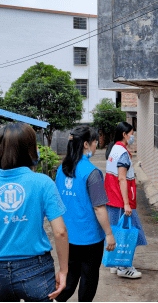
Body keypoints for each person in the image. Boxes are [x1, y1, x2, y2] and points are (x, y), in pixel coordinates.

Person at [0, 122, 69, 302]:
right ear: (30, 150)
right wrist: (63, 271)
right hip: (37, 269)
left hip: (0, 274)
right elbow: (60, 232)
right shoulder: (43, 182)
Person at [54, 126, 116, 302]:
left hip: (67, 236)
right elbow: (99, 208)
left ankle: (54, 299)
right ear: (87, 144)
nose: (97, 145)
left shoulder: (61, 169)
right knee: (88, 278)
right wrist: (109, 234)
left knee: (70, 276)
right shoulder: (92, 173)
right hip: (90, 239)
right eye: (96, 142)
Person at [104, 121, 147, 279]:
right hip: (121, 200)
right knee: (128, 233)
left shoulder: (114, 150)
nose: (133, 136)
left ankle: (115, 264)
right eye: (131, 133)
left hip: (112, 199)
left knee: (117, 232)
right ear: (124, 134)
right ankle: (124, 266)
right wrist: (127, 204)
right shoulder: (122, 153)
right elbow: (122, 179)